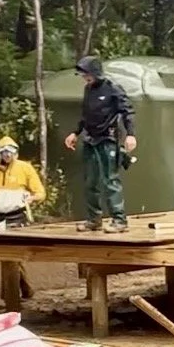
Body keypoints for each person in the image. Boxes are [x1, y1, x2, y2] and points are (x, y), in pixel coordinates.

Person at [65, 56, 137, 233]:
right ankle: (93, 219)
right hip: (90, 139)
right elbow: (85, 114)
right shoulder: (88, 89)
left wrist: (130, 134)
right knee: (90, 181)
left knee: (110, 180)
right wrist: (76, 132)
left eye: (87, 74)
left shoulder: (112, 89)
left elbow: (127, 111)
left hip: (108, 139)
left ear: (95, 73)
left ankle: (119, 220)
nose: (85, 78)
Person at [0, 137, 46, 299]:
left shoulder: (25, 168)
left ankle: (9, 293)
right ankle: (22, 288)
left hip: (17, 217)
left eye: (10, 153)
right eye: (4, 152)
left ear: (16, 153)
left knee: (13, 254)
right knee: (5, 255)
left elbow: (40, 192)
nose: (7, 156)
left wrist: (31, 198)